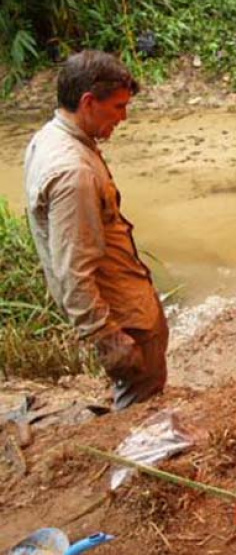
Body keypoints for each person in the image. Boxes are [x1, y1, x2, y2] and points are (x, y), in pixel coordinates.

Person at [24, 51, 168, 409]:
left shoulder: (50, 138)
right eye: (118, 107)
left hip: (123, 304)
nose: (124, 117)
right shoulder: (74, 172)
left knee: (138, 400)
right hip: (123, 317)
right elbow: (74, 270)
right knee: (140, 411)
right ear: (88, 102)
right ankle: (136, 463)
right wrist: (108, 337)